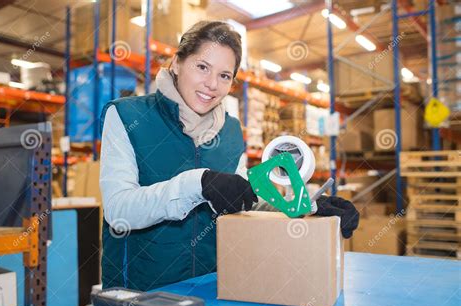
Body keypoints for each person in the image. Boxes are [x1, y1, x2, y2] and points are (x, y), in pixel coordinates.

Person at [99, 21, 359, 291]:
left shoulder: (232, 130)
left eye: (224, 76)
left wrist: (311, 208)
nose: (212, 84)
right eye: (202, 67)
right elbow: (119, 209)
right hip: (138, 294)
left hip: (212, 287)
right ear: (176, 63)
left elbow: (244, 200)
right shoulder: (127, 116)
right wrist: (197, 184)